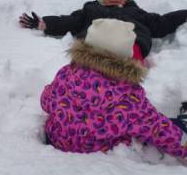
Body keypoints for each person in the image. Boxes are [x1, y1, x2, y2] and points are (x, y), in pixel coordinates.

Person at [40, 18, 187, 159]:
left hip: (57, 139)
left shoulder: (67, 73)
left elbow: (46, 101)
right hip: (97, 151)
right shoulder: (128, 94)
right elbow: (155, 127)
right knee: (161, 124)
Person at [19, 0, 187, 58]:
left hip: (130, 47)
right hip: (96, 45)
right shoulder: (91, 10)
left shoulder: (136, 12)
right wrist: (45, 23)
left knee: (128, 60)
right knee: (90, 63)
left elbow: (160, 23)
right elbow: (70, 22)